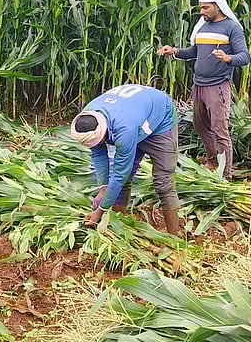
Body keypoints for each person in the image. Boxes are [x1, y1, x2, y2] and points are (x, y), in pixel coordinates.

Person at [156, 0, 250, 179]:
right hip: (199, 85)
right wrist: (173, 51)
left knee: (219, 129)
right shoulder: (203, 27)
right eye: (200, 8)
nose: (202, 12)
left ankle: (225, 174)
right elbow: (194, 52)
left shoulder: (231, 28)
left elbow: (245, 56)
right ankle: (212, 160)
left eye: (205, 8)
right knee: (200, 125)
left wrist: (227, 58)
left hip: (218, 86)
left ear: (217, 6)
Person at [70, 83, 181, 237]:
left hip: (160, 120)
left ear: (103, 130)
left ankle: (174, 239)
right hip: (135, 115)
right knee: (122, 183)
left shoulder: (124, 130)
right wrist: (103, 189)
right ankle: (120, 227)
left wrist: (100, 211)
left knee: (163, 184)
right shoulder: (88, 117)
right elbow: (98, 153)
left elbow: (119, 175)